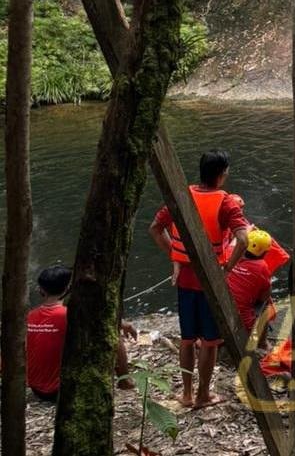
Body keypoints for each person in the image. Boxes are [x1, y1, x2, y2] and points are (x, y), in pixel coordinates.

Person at [148, 149, 249, 408]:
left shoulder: (182, 195)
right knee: (210, 341)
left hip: (184, 280)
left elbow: (155, 229)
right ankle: (204, 395)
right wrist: (226, 268)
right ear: (222, 174)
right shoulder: (226, 203)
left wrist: (175, 255)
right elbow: (243, 239)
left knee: (187, 338)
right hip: (209, 282)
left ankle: (186, 394)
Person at [26, 266, 136, 401]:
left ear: (40, 290)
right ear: (69, 288)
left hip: (37, 390)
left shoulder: (28, 317)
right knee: (112, 333)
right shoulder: (70, 315)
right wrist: (125, 325)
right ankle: (125, 382)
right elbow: (106, 322)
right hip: (65, 390)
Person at [225, 229, 276, 343]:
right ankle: (262, 345)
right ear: (264, 252)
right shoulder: (262, 267)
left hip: (222, 310)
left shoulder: (232, 255)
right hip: (242, 321)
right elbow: (264, 297)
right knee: (267, 307)